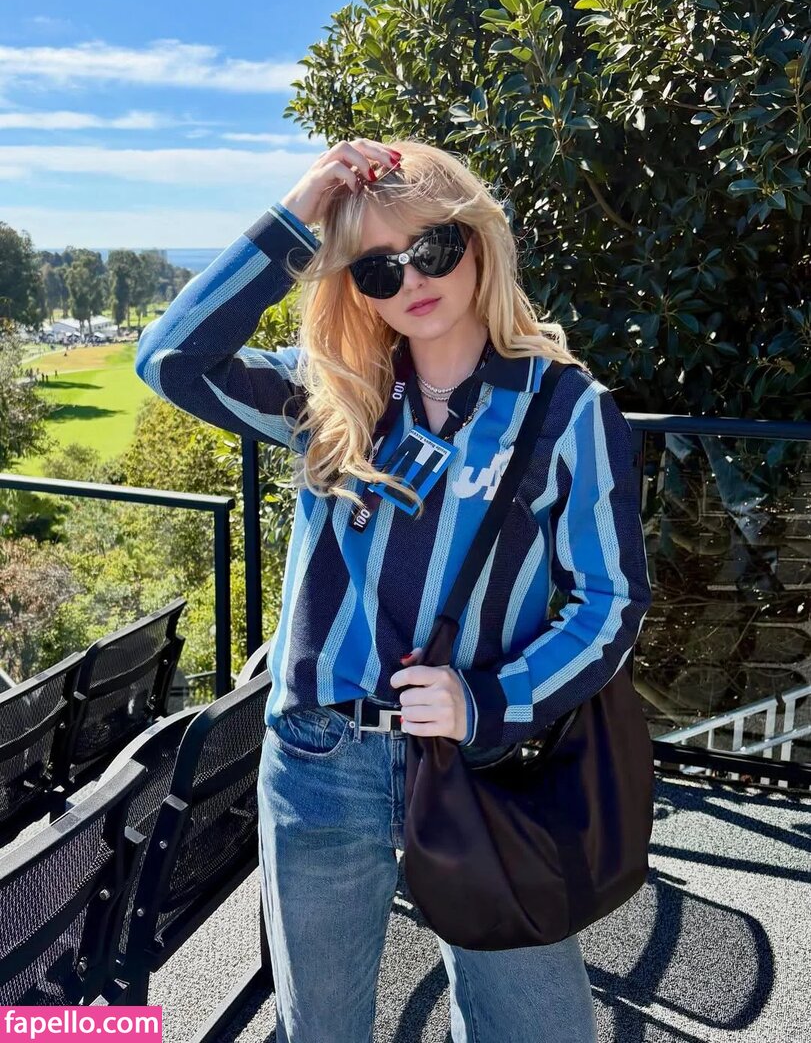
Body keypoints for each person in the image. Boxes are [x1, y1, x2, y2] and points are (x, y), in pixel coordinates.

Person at [134, 137, 653, 1042]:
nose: (411, 278)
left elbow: (609, 601)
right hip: (317, 760)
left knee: (535, 1026)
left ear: (477, 241)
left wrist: (488, 700)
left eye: (432, 248)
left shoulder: (567, 409)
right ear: (353, 286)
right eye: (376, 267)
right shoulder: (333, 396)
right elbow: (170, 359)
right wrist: (300, 212)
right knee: (321, 1026)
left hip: (480, 763)